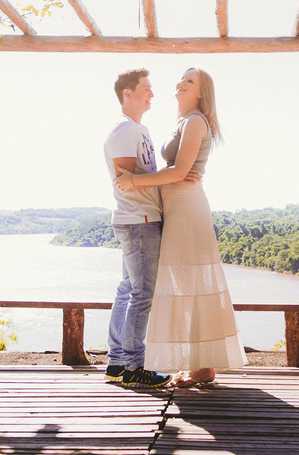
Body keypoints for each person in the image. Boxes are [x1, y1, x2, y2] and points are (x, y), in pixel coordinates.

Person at [114, 67, 245, 386]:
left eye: (190, 81)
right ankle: (196, 364)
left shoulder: (196, 120)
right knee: (182, 287)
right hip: (174, 209)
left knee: (191, 286)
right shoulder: (186, 122)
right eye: (181, 79)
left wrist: (134, 182)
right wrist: (169, 175)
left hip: (187, 210)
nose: (181, 83)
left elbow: (179, 171)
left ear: (201, 92)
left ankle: (204, 367)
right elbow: (176, 171)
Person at [103, 68, 173, 388]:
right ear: (127, 93)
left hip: (141, 220)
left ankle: (117, 362)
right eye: (145, 88)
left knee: (127, 290)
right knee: (142, 294)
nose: (152, 94)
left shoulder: (139, 129)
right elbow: (126, 183)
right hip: (138, 221)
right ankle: (134, 366)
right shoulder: (123, 130)